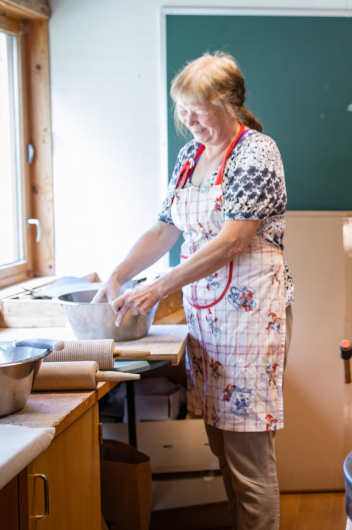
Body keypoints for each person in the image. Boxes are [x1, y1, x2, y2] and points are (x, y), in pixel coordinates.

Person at [93, 52, 292, 529]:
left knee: (248, 457)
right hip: (207, 319)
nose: (188, 121)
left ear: (229, 103)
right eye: (181, 109)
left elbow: (233, 240)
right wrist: (117, 275)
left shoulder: (256, 152)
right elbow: (164, 231)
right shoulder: (189, 159)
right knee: (221, 447)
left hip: (249, 320)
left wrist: (158, 287)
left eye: (197, 109)